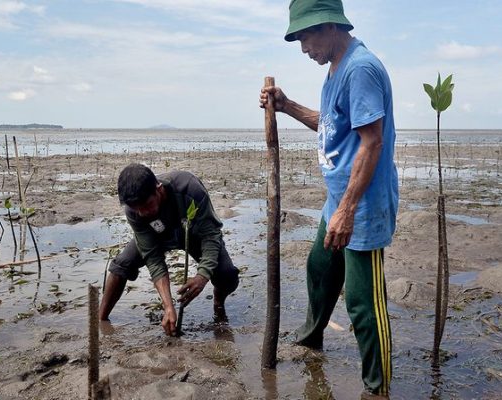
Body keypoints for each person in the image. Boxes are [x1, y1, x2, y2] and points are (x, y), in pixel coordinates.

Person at [259, 0, 398, 398]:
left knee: (363, 304)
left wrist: (348, 211)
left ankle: (378, 386)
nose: (303, 48)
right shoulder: (337, 68)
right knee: (320, 269)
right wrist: (286, 107)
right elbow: (333, 124)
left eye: (306, 36)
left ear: (330, 26)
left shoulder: (361, 68)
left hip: (363, 206)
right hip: (339, 200)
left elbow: (372, 142)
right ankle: (310, 338)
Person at [99, 163, 240, 336]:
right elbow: (153, 258)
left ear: (158, 189)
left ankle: (219, 302)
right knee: (121, 266)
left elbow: (210, 236)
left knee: (227, 275)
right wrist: (168, 306)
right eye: (138, 209)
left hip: (193, 234)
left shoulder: (189, 188)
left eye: (148, 205)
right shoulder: (133, 209)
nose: (144, 213)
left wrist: (202, 276)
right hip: (157, 235)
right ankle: (100, 322)